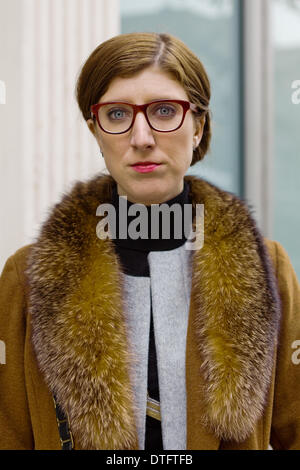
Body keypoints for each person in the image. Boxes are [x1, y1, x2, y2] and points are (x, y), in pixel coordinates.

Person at [0, 32, 299, 451]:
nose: (141, 137)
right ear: (96, 131)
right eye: (118, 114)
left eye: (164, 110)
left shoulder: (269, 269)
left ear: (198, 126)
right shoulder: (27, 278)